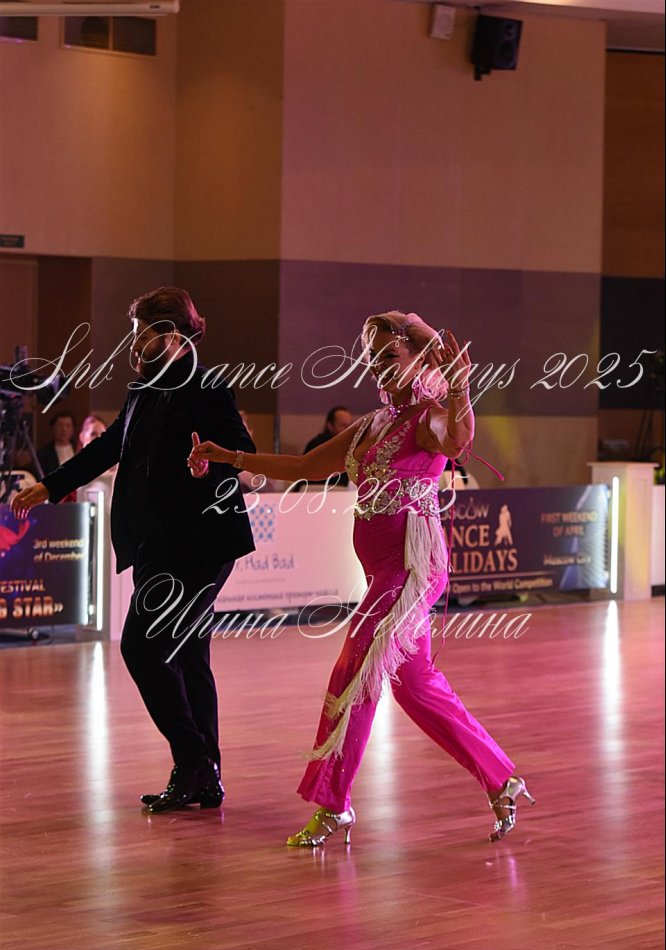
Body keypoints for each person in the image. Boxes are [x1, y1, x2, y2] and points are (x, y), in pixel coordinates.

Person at [189, 311, 535, 846]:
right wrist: (227, 457)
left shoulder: (427, 417)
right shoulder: (374, 423)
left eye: (389, 355)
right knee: (414, 685)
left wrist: (461, 388)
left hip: (411, 569)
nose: (377, 366)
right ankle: (500, 778)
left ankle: (333, 805)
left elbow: (457, 441)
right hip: (382, 572)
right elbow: (304, 468)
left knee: (353, 672)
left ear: (418, 359)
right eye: (372, 357)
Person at [11, 287, 256, 813]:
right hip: (155, 543)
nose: (134, 342)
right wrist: (50, 486)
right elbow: (108, 447)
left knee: (141, 648)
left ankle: (193, 761)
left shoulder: (208, 387)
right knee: (188, 655)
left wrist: (209, 463)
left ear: (170, 334)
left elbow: (243, 452)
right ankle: (206, 776)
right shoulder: (144, 387)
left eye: (141, 333)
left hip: (198, 543)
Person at [295, 406, 354, 489]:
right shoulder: (319, 445)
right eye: (343, 425)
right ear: (330, 426)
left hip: (336, 492)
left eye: (351, 425)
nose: (349, 429)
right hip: (317, 492)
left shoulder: (350, 445)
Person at [37, 410, 77, 475]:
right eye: (60, 425)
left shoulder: (78, 448)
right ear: (53, 428)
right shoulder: (44, 454)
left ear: (73, 429)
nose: (64, 430)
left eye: (68, 426)